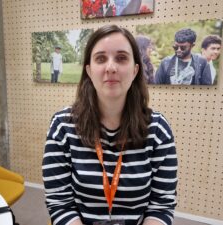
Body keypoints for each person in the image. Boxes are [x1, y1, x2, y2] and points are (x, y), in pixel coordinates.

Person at [42, 25, 177, 225]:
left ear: (135, 70)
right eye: (100, 58)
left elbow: (161, 205)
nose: (111, 67)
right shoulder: (63, 125)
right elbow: (60, 203)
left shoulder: (157, 129)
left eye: (121, 58)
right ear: (89, 70)